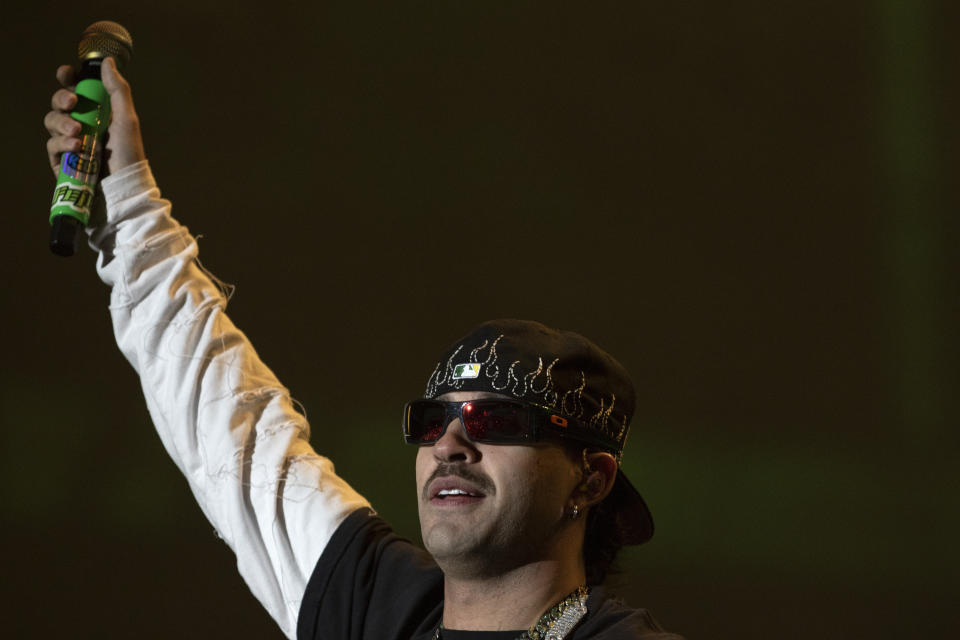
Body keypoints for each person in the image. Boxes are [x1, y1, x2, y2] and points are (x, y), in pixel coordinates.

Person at [44, 58, 684, 640]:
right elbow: (232, 430)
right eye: (435, 421)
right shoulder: (372, 603)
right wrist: (124, 196)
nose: (449, 445)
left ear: (591, 479)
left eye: (495, 421)